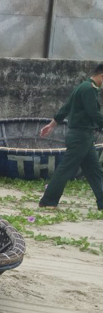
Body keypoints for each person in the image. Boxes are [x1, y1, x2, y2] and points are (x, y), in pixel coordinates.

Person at [37, 63, 103, 211]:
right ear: (101, 76)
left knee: (95, 170)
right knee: (66, 169)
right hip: (81, 136)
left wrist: (52, 124)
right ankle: (48, 200)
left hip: (83, 136)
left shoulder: (82, 87)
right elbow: (94, 113)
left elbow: (66, 108)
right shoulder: (89, 89)